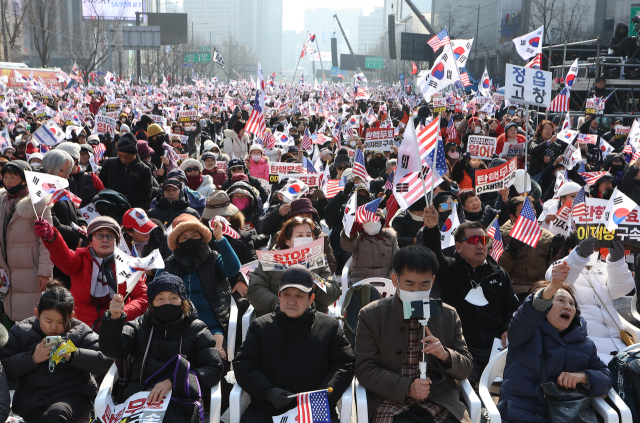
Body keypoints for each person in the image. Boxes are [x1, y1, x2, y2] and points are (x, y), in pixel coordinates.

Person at [355, 246, 473, 423]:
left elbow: (466, 367)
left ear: (433, 281)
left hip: (440, 401)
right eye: (409, 284)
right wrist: (407, 387)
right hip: (389, 400)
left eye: (424, 284)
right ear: (395, 280)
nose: (416, 290)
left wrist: (445, 354)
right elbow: (364, 369)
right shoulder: (372, 315)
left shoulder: (448, 314)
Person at [233, 265, 354, 423]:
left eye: (299, 295)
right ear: (279, 296)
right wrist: (268, 391)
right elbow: (243, 364)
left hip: (315, 407)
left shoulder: (329, 326)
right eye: (286, 294)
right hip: (267, 408)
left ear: (311, 299)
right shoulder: (261, 326)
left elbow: (345, 363)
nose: (291, 300)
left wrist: (323, 395)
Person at [99, 273, 224, 423]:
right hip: (139, 397)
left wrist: (175, 381)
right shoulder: (139, 326)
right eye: (160, 298)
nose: (167, 303)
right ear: (152, 303)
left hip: (180, 399)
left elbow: (214, 369)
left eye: (173, 297)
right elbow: (112, 350)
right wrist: (113, 319)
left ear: (182, 301)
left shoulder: (196, 329)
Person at [497, 270, 612, 423]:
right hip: (521, 414)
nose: (568, 306)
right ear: (545, 306)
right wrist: (551, 288)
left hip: (567, 416)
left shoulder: (585, 344)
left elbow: (606, 378)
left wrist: (583, 377)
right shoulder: (526, 332)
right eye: (561, 300)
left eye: (572, 303)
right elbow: (526, 316)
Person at [422, 207, 520, 386]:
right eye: (474, 240)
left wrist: (508, 327)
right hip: (463, 349)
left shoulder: (499, 274)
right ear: (458, 247)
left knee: (513, 389)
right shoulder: (450, 269)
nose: (480, 245)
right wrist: (431, 229)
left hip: (496, 348)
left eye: (484, 240)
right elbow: (433, 257)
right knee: (463, 393)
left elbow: (512, 307)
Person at [0, 280, 112, 423]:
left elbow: (106, 361)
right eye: (48, 321)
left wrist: (72, 355)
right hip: (33, 399)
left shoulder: (80, 330)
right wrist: (33, 358)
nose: (54, 327)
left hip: (73, 396)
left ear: (71, 316)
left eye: (61, 322)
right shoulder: (21, 331)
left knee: (56, 415)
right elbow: (4, 369)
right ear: (37, 313)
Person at [34, 216, 148, 330]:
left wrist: (121, 312)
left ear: (117, 242)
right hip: (80, 327)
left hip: (117, 326)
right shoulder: (81, 258)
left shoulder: (127, 265)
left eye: (110, 236)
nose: (105, 240)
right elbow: (64, 257)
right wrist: (52, 237)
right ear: (90, 241)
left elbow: (143, 296)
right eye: (99, 235)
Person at [159, 213, 241, 356]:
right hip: (178, 327)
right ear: (177, 244)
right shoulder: (169, 265)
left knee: (216, 356)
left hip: (212, 326)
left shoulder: (213, 258)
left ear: (203, 239)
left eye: (194, 236)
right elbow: (157, 289)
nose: (189, 240)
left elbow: (233, 268)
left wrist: (220, 239)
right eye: (184, 238)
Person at [545, 237, 635, 364]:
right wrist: (578, 257)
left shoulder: (602, 266)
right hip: (586, 342)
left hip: (619, 341)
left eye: (597, 245)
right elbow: (556, 282)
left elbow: (622, 290)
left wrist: (617, 262)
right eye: (588, 245)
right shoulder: (560, 265)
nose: (593, 249)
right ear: (573, 248)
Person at [247, 216, 340, 317]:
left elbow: (333, 292)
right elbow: (255, 289)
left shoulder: (318, 260)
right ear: (287, 240)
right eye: (300, 236)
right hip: (276, 318)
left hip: (311, 319)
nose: (305, 239)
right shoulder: (271, 259)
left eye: (308, 235)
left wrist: (316, 285)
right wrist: (280, 304)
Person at [0, 160, 53, 322]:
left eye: (12, 177)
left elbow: (47, 241)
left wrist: (45, 272)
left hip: (31, 270)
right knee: (9, 312)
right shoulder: (2, 200)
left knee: (29, 316)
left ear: (24, 179)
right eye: (5, 177)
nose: (7, 182)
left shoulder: (38, 204)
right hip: (6, 269)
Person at [42, 149, 88, 287]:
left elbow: (76, 211)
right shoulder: (44, 190)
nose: (69, 175)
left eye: (69, 171)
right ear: (52, 169)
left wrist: (82, 224)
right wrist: (77, 237)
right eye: (65, 171)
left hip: (72, 250)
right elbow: (53, 224)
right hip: (56, 254)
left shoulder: (62, 186)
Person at [499, 196, 555, 299]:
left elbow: (554, 270)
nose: (530, 214)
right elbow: (496, 270)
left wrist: (558, 252)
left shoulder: (548, 237)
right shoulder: (502, 236)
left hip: (541, 289)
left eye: (532, 209)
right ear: (513, 217)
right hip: (513, 289)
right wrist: (510, 252)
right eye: (524, 212)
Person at [340, 210, 398, 284]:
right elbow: (347, 247)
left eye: (376, 220)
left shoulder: (390, 238)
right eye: (368, 221)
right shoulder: (357, 237)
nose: (373, 224)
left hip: (386, 282)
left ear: (381, 222)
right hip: (360, 282)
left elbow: (397, 262)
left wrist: (390, 280)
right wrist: (349, 233)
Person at [99, 132, 153, 210]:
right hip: (108, 208)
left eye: (128, 156)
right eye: (120, 155)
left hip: (131, 211)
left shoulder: (144, 170)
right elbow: (100, 186)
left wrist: (121, 198)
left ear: (135, 154)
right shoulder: (109, 164)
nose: (123, 158)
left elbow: (144, 197)